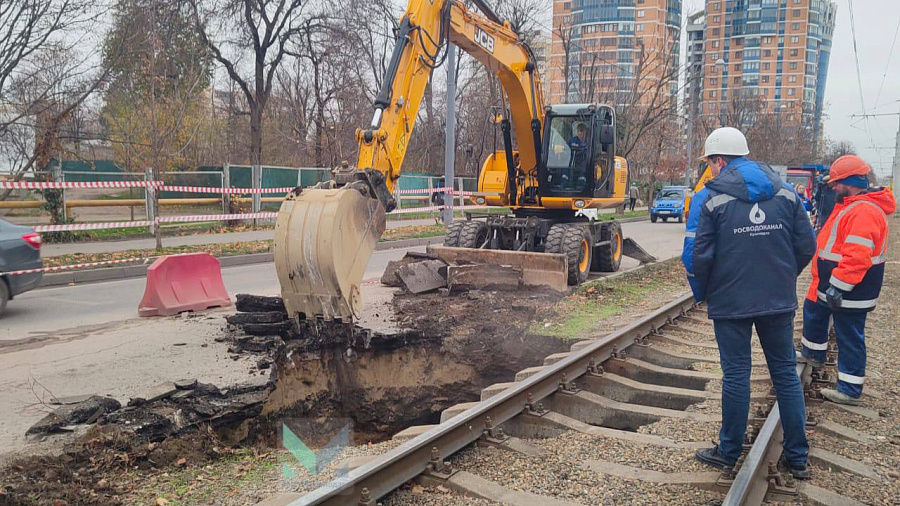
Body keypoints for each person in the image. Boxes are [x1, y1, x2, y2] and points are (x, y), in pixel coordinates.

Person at [682, 127, 816, 479]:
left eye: (710, 163)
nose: (710, 170)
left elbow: (697, 257)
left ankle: (727, 452)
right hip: (777, 299)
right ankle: (798, 457)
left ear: (720, 160)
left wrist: (705, 292)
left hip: (730, 302)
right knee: (786, 373)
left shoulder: (710, 198)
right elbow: (806, 246)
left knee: (737, 375)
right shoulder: (786, 193)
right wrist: (785, 275)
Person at [800, 155, 896, 405]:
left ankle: (850, 389)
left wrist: (839, 286)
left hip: (849, 290)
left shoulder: (862, 211)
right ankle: (813, 354)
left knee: (849, 336)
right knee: (814, 312)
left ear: (850, 182)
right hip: (835, 285)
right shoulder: (852, 205)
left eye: (836, 183)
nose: (832, 187)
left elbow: (857, 256)